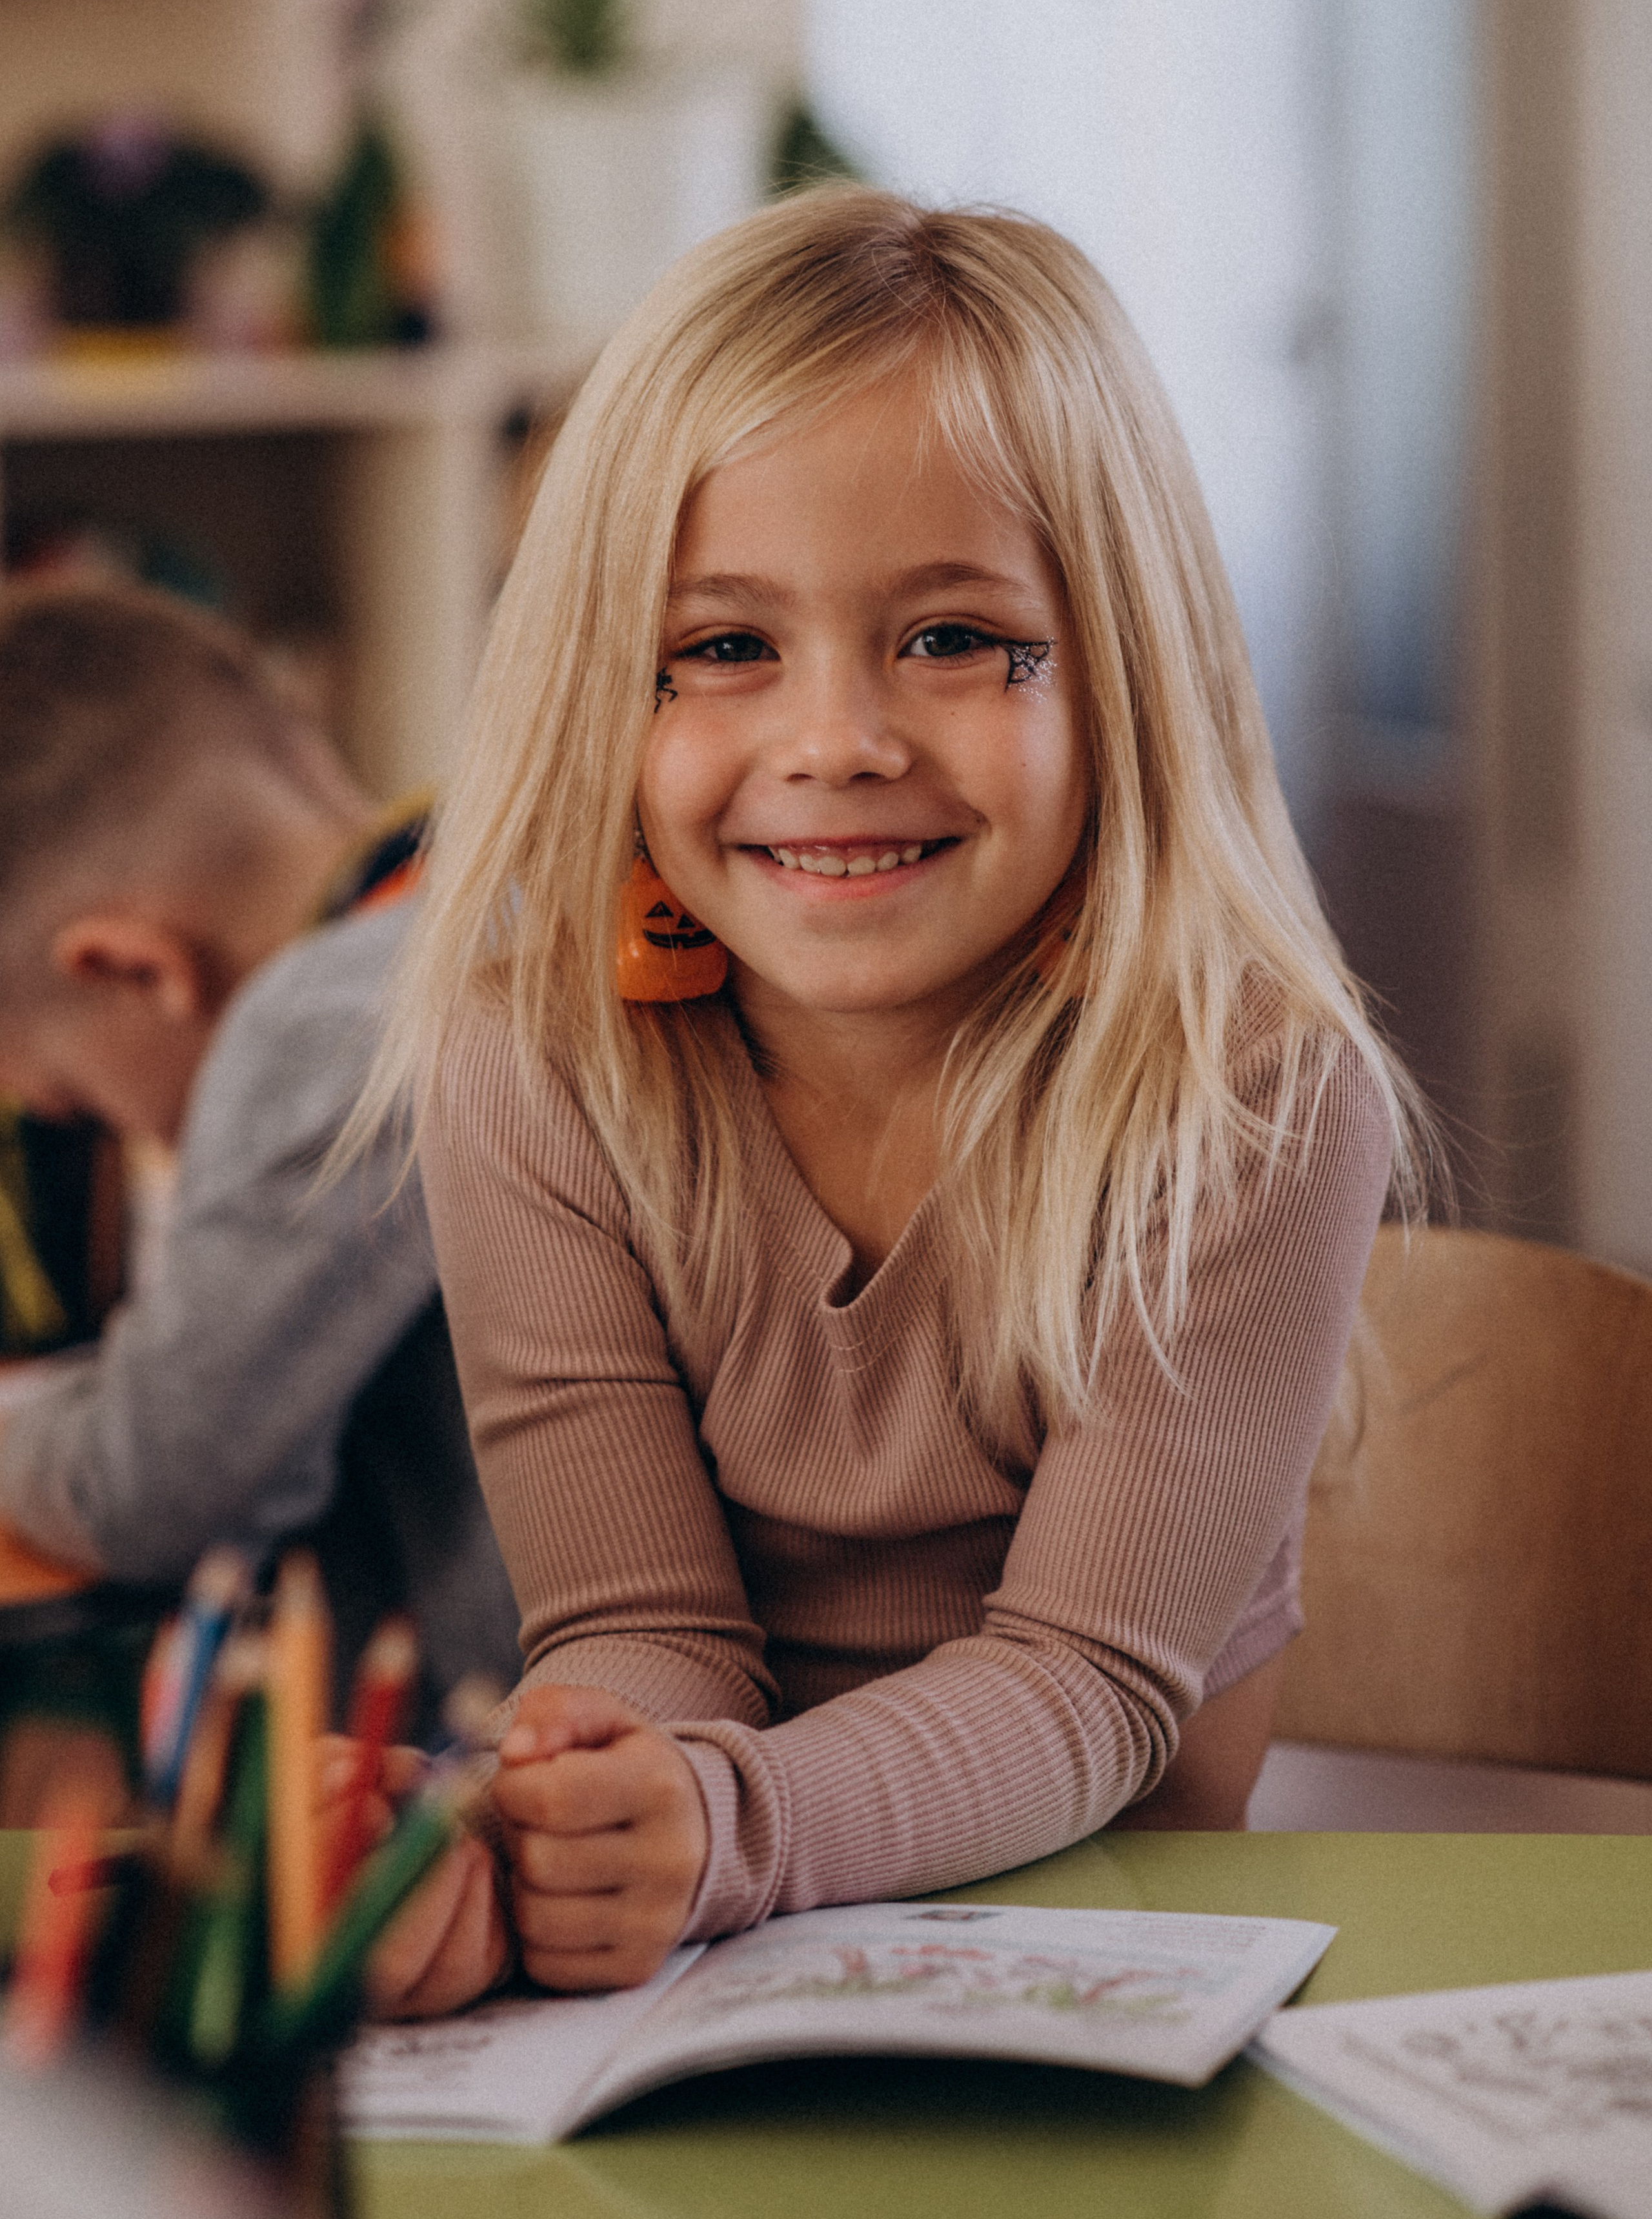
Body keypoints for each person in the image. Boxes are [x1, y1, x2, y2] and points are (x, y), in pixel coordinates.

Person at [338, 188, 1422, 2016]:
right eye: (723, 647)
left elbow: (1093, 1682)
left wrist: (713, 1826)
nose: (835, 739)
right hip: (719, 1948)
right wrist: (573, 1821)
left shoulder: (1253, 1093)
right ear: (605, 686)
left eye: (950, 639)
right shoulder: (531, 1062)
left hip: (1119, 1948)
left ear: (1124, 680)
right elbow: (637, 1627)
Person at [0, 581, 521, 1761]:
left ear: (137, 970)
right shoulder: (505, 893)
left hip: (509, 1749)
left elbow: (154, 1485)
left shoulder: (329, 1015)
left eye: (75, 1103)